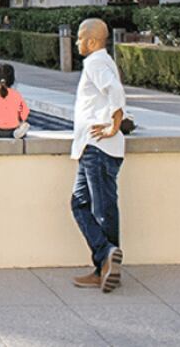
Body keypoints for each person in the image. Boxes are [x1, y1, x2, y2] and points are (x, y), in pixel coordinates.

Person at [70, 18, 126, 294]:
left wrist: (114, 123)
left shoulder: (95, 62)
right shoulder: (100, 62)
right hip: (91, 147)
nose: (76, 42)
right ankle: (105, 259)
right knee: (80, 203)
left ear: (92, 41)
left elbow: (115, 90)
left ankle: (105, 261)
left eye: (80, 37)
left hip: (98, 148)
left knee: (102, 210)